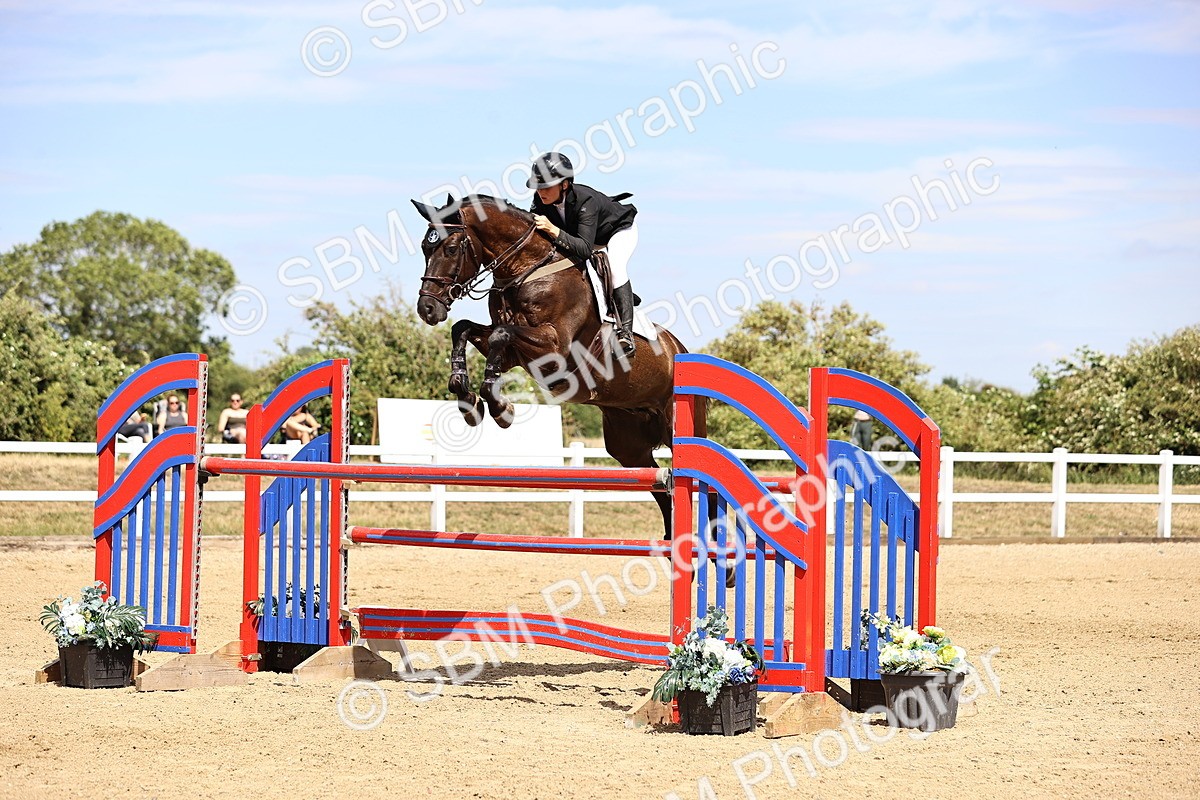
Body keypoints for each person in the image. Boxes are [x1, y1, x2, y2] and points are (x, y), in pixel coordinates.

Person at [527, 151, 639, 356]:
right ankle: (617, 295)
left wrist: (553, 230)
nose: (540, 191)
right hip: (581, 236)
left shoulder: (586, 201)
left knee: (614, 267)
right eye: (538, 186)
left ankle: (626, 334)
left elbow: (585, 249)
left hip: (615, 231)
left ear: (565, 184)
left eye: (546, 186)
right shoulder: (540, 200)